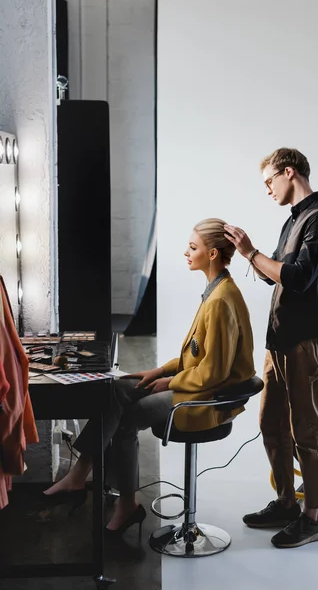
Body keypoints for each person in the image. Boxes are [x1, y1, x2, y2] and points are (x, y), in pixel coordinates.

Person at [43, 218, 255, 534]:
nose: (186, 252)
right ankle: (80, 472)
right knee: (116, 389)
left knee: (130, 419)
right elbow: (195, 356)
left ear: (212, 254)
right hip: (199, 385)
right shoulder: (215, 291)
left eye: (193, 247)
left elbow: (214, 372)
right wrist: (159, 371)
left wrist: (169, 381)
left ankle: (127, 503)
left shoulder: (221, 301)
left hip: (210, 397)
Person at [224, 147, 318, 548]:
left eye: (268, 182)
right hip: (278, 339)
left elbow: (296, 278)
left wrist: (250, 252)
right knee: (270, 423)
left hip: (305, 341)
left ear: (289, 172)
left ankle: (313, 517)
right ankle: (285, 502)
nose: (267, 190)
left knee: (307, 430)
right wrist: (250, 257)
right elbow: (274, 274)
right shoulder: (292, 221)